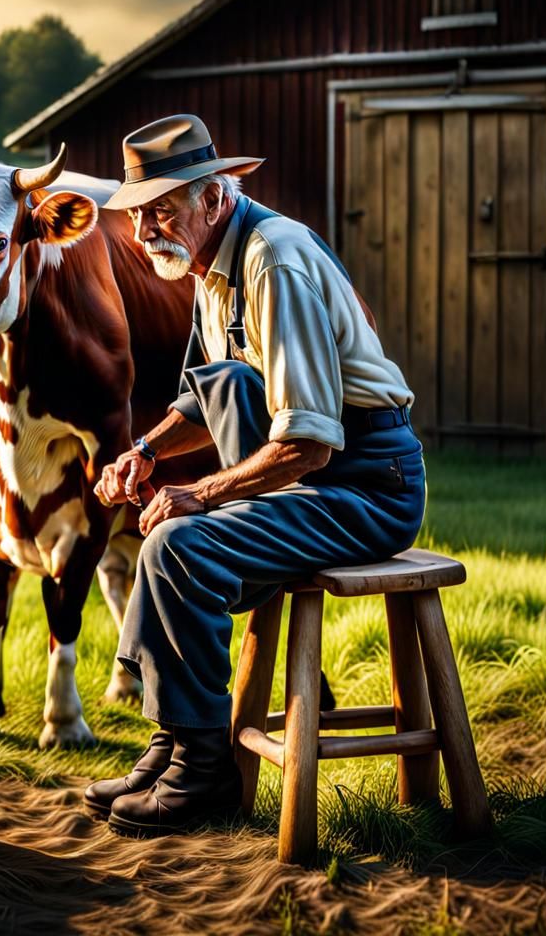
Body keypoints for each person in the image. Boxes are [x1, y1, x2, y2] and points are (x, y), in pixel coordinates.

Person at [85, 114, 426, 839]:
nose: (145, 230)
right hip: (318, 476)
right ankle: (174, 744)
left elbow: (308, 442)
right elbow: (206, 397)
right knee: (171, 537)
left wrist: (199, 493)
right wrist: (145, 451)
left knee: (180, 544)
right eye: (138, 213)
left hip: (367, 484)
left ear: (216, 195)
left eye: (163, 209)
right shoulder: (209, 262)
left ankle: (202, 775)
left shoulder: (273, 260)